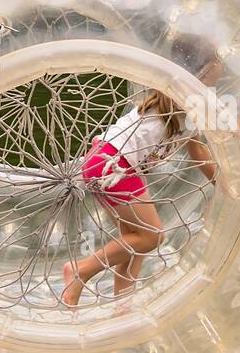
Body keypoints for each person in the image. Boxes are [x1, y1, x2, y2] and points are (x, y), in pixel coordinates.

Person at [61, 37, 220, 306]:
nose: (220, 67)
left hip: (102, 161)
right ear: (198, 72)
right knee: (152, 236)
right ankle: (81, 270)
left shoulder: (185, 108)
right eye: (216, 61)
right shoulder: (180, 99)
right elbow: (227, 126)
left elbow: (198, 151)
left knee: (135, 241)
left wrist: (220, 182)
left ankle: (121, 305)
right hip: (114, 164)